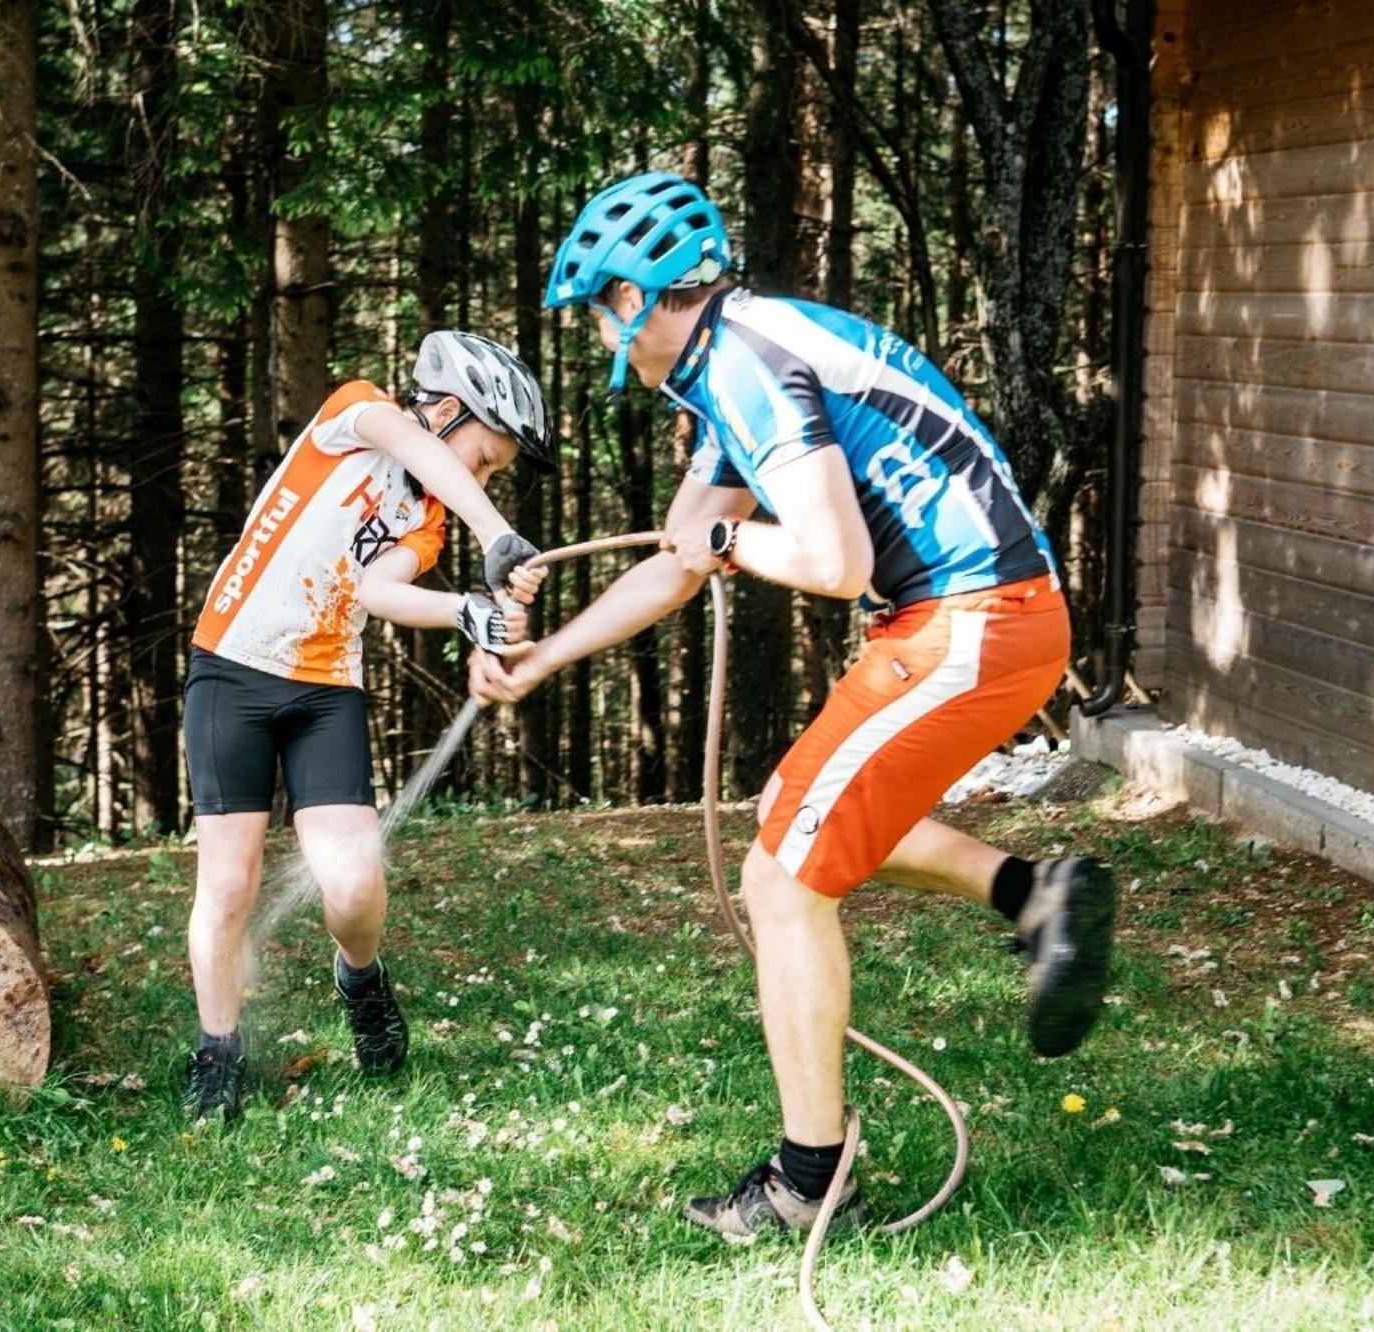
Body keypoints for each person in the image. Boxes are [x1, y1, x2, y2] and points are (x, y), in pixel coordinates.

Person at [471, 173, 1117, 1234]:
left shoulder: (747, 362)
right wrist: (544, 656)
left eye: (599, 311)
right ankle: (1034, 894)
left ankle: (809, 1186)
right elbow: (675, 562)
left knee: (778, 882)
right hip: (970, 620)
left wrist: (728, 541)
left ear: (636, 298)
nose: (602, 340)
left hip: (973, 621)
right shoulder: (737, 361)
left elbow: (824, 557)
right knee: (792, 808)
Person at [182, 331, 552, 1122]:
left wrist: (468, 613)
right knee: (230, 882)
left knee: (352, 884)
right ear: (449, 411)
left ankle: (360, 978)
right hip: (231, 670)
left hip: (325, 691)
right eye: (485, 458)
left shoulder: (425, 519)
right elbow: (414, 445)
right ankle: (217, 1052)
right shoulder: (358, 412)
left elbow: (378, 592)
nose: (479, 478)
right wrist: (496, 533)